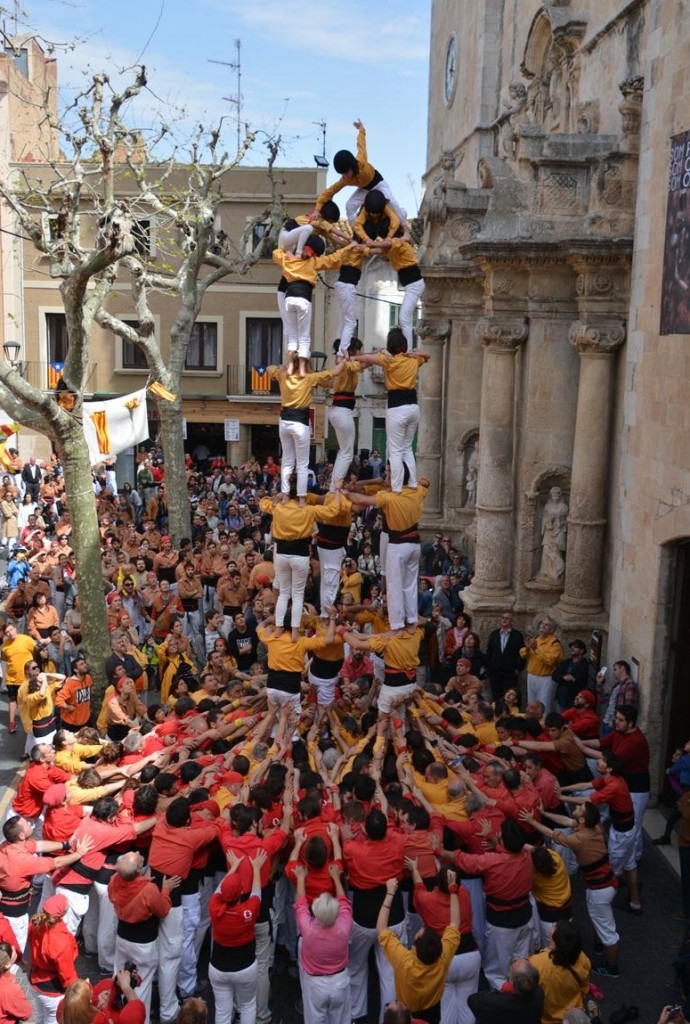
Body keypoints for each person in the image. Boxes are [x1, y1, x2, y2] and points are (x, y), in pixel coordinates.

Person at [377, 873, 461, 1024]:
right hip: (433, 1012)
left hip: (405, 1015)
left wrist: (390, 892)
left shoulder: (404, 960)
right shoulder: (443, 956)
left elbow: (381, 928)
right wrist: (453, 890)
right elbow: (455, 923)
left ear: (414, 948)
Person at [354, 329, 429, 493]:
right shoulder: (413, 360)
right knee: (407, 448)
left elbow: (366, 358)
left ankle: (396, 487)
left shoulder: (389, 360)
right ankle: (412, 483)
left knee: (395, 451)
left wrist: (352, 357)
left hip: (397, 407)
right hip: (413, 406)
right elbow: (427, 355)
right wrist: (413, 353)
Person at [271, 238, 360, 376]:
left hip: (289, 299)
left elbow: (276, 253)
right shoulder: (314, 262)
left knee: (293, 336)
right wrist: (350, 246)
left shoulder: (289, 260)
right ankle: (301, 369)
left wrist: (286, 249)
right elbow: (334, 257)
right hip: (303, 299)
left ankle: (289, 367)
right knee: (304, 337)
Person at [268, 362, 346, 498]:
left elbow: (269, 368)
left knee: (287, 460)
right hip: (299, 422)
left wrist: (283, 367)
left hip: (285, 421)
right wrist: (344, 360)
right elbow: (335, 372)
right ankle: (302, 497)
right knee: (303, 464)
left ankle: (285, 494)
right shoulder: (309, 377)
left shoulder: (282, 375)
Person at [311, 119, 407, 227]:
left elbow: (361, 144)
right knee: (349, 205)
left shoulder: (361, 161)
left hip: (378, 183)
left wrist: (361, 129)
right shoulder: (345, 179)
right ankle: (357, 234)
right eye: (342, 174)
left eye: (346, 172)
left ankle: (405, 228)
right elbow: (330, 191)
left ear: (352, 166)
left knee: (392, 203)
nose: (345, 176)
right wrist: (317, 210)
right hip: (364, 189)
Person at [208, 848, 266, 1024]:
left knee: (222, 1010)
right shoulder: (248, 910)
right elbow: (257, 892)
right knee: (248, 1006)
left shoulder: (214, 906)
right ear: (240, 891)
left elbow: (219, 889)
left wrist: (233, 868)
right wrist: (256, 868)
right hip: (245, 966)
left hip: (218, 967)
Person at [293, 861, 353, 1024]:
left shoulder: (308, 929)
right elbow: (344, 902)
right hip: (340, 982)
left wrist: (300, 878)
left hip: (315, 985)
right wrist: (336, 878)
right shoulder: (345, 925)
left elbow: (301, 905)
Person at [28, 893, 79, 1024]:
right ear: (61, 914)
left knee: (40, 1016)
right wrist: (75, 991)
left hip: (35, 980)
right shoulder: (62, 940)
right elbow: (67, 974)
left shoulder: (35, 924)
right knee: (53, 1019)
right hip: (52, 990)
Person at [528, 921, 591, 1024]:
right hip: (573, 1016)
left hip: (547, 1018)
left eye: (554, 926)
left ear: (554, 942)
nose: (553, 924)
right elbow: (584, 989)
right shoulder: (583, 958)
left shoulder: (537, 963)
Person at [467, 959, 544, 1024]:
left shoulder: (496, 1003)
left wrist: (504, 992)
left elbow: (472, 1000)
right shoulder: (539, 995)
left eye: (510, 972)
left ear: (511, 982)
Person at [520, 617, 563, 713]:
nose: (542, 626)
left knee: (543, 705)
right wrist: (527, 648)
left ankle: (543, 724)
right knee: (531, 703)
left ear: (551, 629)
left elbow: (550, 660)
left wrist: (536, 649)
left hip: (545, 678)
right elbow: (522, 655)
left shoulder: (554, 643)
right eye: (542, 624)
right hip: (531, 676)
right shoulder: (536, 639)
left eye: (546, 625)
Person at [485, 612, 525, 702]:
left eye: (507, 618)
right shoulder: (494, 634)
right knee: (496, 697)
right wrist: (489, 667)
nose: (504, 620)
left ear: (511, 621)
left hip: (510, 673)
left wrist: (519, 668)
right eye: (503, 617)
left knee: (511, 697)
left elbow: (522, 653)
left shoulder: (517, 635)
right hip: (495, 672)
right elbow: (489, 652)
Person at [552, 639, 590, 711]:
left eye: (575, 647)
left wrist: (573, 679)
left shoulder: (584, 665)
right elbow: (554, 675)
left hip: (572, 702)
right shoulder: (567, 662)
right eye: (572, 646)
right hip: (560, 700)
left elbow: (581, 681)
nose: (572, 648)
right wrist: (563, 677)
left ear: (582, 651)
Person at [0, 946, 32, 1024]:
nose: (13, 947)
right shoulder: (9, 990)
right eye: (12, 951)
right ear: (7, 964)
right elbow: (26, 1013)